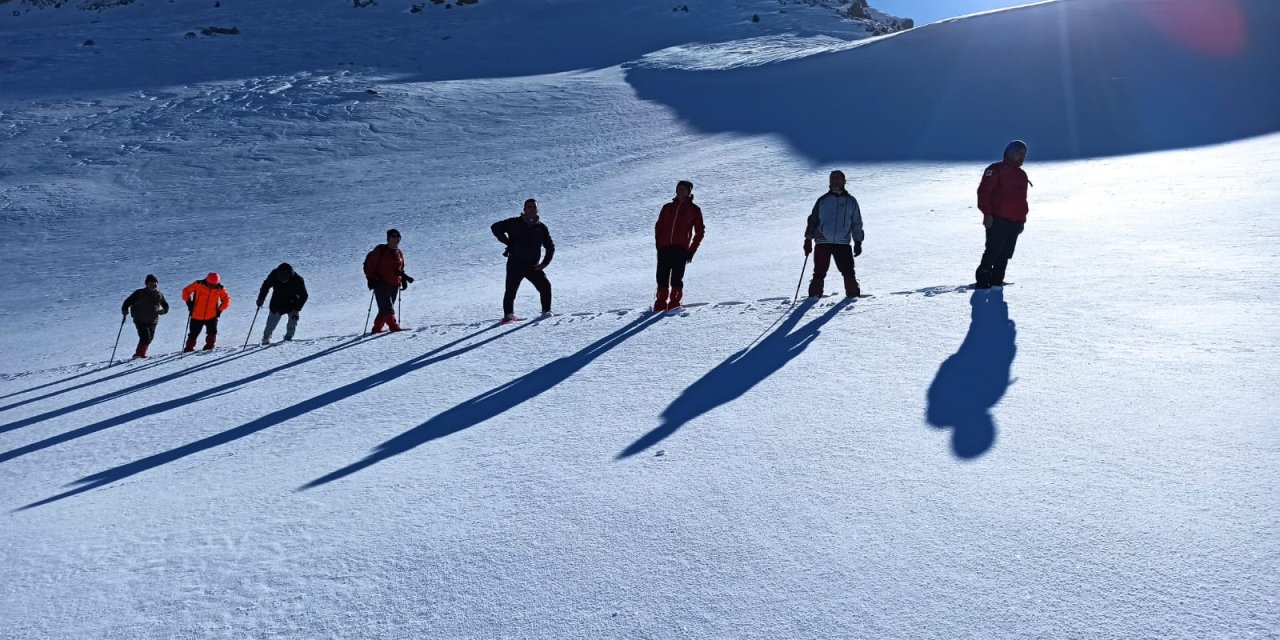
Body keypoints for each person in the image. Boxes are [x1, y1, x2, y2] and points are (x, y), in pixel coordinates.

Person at [975, 140, 1032, 289]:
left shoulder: (1021, 174)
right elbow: (984, 193)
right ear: (1010, 153)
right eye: (1019, 154)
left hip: (1015, 222)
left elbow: (1021, 199)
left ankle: (997, 280)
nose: (1022, 157)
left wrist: (1021, 221)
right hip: (997, 219)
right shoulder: (995, 170)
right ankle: (982, 282)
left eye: (1024, 155)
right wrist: (987, 214)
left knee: (1005, 253)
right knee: (993, 251)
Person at [491, 198, 555, 323]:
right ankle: (508, 316)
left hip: (533, 266)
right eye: (529, 207)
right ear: (524, 209)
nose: (531, 209)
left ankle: (546, 312)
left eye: (534, 207)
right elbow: (495, 227)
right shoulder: (514, 223)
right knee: (510, 290)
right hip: (515, 263)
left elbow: (550, 246)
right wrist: (507, 242)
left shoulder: (541, 228)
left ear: (537, 210)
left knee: (545, 286)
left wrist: (544, 263)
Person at [803, 170, 864, 298]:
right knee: (819, 272)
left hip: (842, 242)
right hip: (822, 242)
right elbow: (813, 220)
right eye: (832, 179)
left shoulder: (851, 201)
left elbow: (856, 223)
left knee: (848, 272)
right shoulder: (822, 200)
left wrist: (858, 241)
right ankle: (814, 296)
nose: (835, 181)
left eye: (838, 179)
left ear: (844, 181)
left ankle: (853, 297)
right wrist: (808, 240)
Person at [653, 180, 705, 311]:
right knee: (661, 277)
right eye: (679, 188)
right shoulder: (667, 207)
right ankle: (659, 305)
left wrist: (691, 250)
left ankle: (674, 305)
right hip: (664, 248)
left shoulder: (694, 210)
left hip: (680, 249)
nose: (680, 191)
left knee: (676, 278)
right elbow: (658, 227)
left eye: (683, 189)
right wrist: (659, 245)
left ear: (688, 192)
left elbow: (699, 232)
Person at [364, 228, 412, 333]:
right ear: (388, 239)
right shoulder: (380, 250)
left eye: (397, 237)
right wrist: (373, 279)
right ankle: (394, 328)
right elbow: (370, 266)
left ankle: (376, 329)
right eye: (393, 237)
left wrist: (403, 280)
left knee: (385, 308)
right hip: (380, 283)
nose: (396, 239)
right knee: (387, 308)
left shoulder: (399, 252)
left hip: (394, 284)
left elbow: (400, 268)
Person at [256, 262, 308, 344]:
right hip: (277, 301)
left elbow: (304, 295)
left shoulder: (298, 279)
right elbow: (265, 286)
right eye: (281, 280)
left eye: (285, 280)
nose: (283, 282)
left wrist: (297, 308)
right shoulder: (274, 274)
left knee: (293, 320)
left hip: (292, 302)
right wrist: (261, 299)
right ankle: (266, 338)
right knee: (271, 321)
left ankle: (288, 337)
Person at [121, 274, 170, 359]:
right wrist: (125, 310)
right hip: (139, 319)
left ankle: (141, 353)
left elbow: (166, 305)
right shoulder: (139, 293)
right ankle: (139, 355)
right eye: (151, 283)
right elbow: (127, 302)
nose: (153, 285)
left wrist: (164, 311)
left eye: (155, 283)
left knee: (150, 338)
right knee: (145, 337)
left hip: (153, 320)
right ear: (146, 284)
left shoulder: (159, 295)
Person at [181, 272, 231, 352]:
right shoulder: (198, 284)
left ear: (217, 283)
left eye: (214, 284)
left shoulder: (220, 288)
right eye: (210, 284)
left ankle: (209, 347)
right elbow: (185, 291)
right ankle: (188, 349)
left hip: (212, 316)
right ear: (207, 280)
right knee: (193, 334)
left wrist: (219, 310)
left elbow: (227, 300)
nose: (211, 286)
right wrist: (189, 303)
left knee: (212, 333)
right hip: (196, 315)